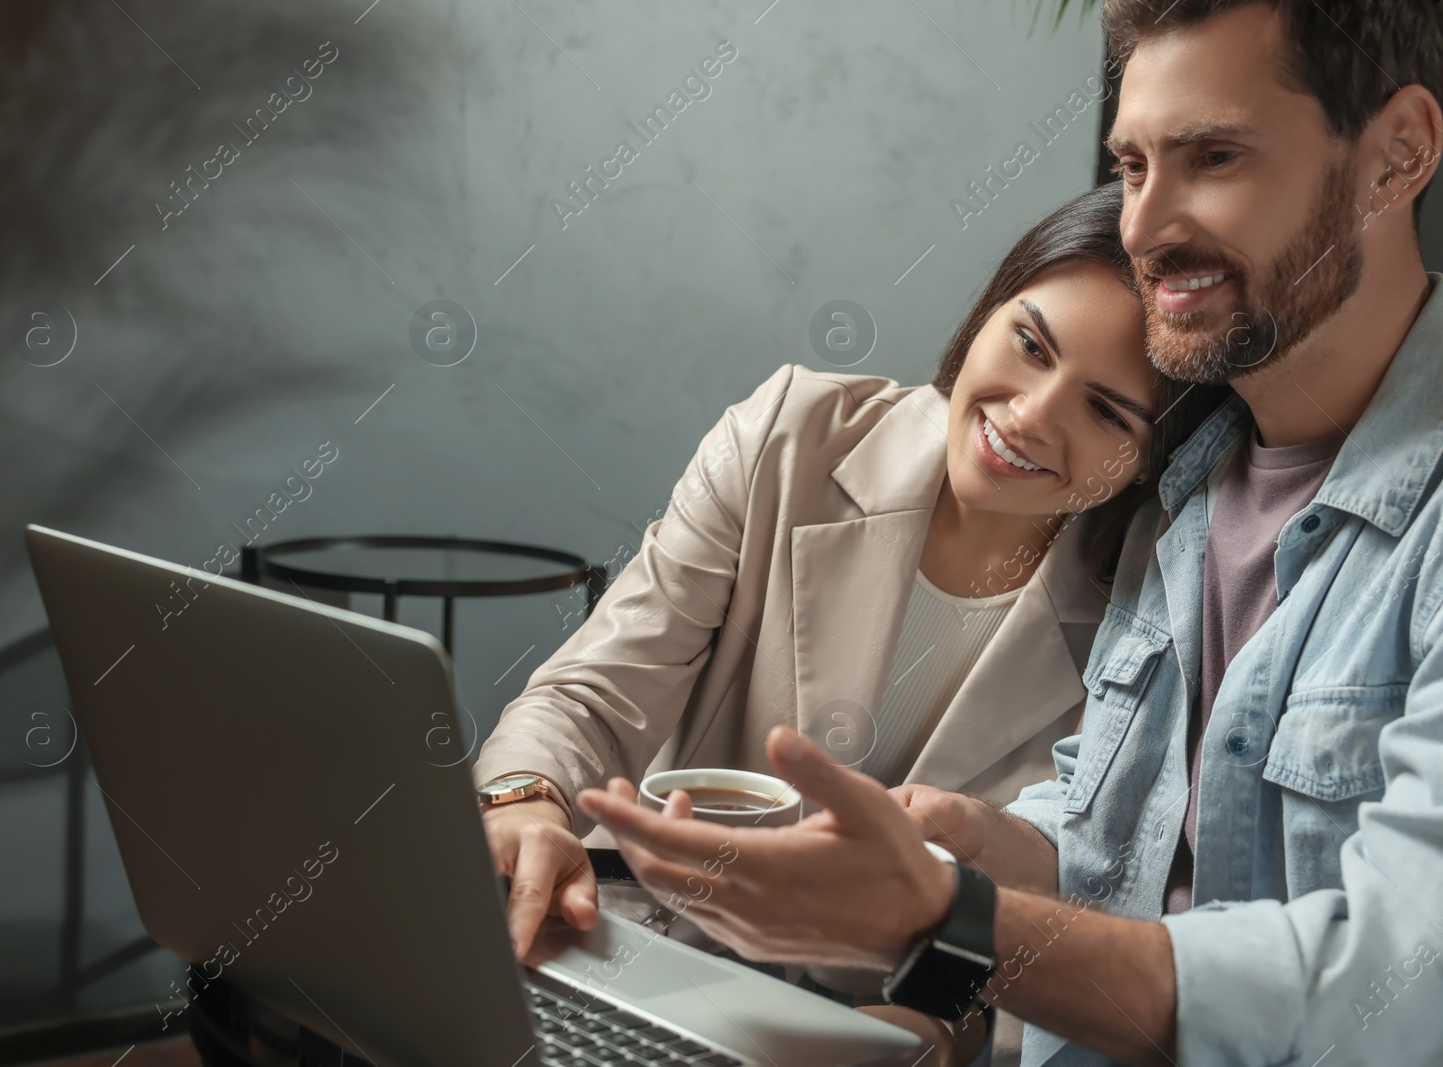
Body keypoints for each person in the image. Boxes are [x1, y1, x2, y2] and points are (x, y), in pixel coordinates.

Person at [579, 2, 1443, 1065]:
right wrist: (986, 844)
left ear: (1396, 156)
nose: (1144, 227)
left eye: (1214, 156)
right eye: (1131, 167)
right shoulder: (1179, 491)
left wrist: (941, 913)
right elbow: (1108, 839)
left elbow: (1399, 983)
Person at [475, 182, 1225, 1058]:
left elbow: (1062, 899)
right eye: (1029, 342)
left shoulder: (1148, 616)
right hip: (640, 952)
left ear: (1147, 460)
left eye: (1106, 410)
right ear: (988, 313)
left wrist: (935, 1032)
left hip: (863, 1026)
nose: (1029, 415)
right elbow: (594, 693)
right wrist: (522, 804)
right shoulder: (790, 436)